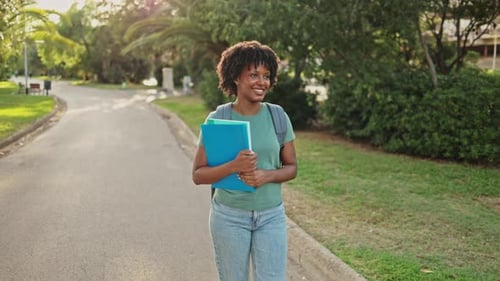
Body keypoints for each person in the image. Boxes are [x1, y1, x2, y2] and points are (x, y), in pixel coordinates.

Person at [192, 40, 297, 281]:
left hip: (271, 216)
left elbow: (292, 167)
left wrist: (266, 175)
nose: (262, 82)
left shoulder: (278, 116)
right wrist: (233, 166)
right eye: (253, 74)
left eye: (267, 75)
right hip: (229, 216)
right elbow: (198, 174)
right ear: (235, 77)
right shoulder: (220, 117)